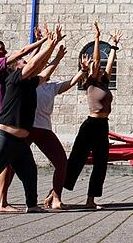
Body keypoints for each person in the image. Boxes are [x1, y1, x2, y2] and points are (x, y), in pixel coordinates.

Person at [0, 25, 64, 217]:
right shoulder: (14, 79)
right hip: (5, 136)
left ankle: (32, 204)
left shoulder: (28, 82)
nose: (25, 62)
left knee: (30, 172)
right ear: (15, 68)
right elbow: (34, 65)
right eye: (22, 62)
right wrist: (49, 44)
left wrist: (57, 57)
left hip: (19, 141)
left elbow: (43, 74)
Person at [64, 22, 121, 209]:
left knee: (101, 164)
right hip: (90, 125)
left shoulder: (104, 81)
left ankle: (91, 200)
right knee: (76, 161)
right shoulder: (88, 82)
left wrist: (113, 45)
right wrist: (97, 38)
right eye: (96, 68)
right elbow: (96, 62)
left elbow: (109, 63)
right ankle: (55, 193)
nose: (98, 68)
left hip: (103, 126)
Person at [29, 43, 87, 210]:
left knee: (62, 163)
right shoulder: (29, 84)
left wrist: (82, 71)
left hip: (44, 129)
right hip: (27, 129)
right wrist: (42, 44)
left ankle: (56, 198)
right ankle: (0, 199)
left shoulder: (51, 87)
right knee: (10, 163)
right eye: (45, 67)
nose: (48, 71)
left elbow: (69, 83)